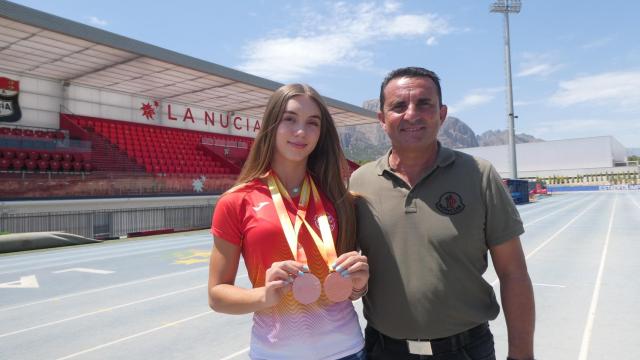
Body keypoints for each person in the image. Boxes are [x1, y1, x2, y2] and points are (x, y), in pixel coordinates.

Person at [349, 67, 535, 360]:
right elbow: (346, 270)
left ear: (442, 113)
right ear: (382, 120)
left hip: (465, 350)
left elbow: (513, 273)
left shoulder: (479, 175)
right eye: (399, 106)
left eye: (424, 103)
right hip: (384, 350)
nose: (412, 114)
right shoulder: (359, 183)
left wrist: (522, 354)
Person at [208, 83, 369, 360]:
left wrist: (358, 284)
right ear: (271, 124)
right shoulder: (235, 201)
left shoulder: (339, 198)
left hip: (348, 351)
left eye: (312, 123)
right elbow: (217, 295)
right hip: (275, 354)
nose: (300, 132)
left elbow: (350, 290)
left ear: (321, 133)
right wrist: (264, 296)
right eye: (290, 119)